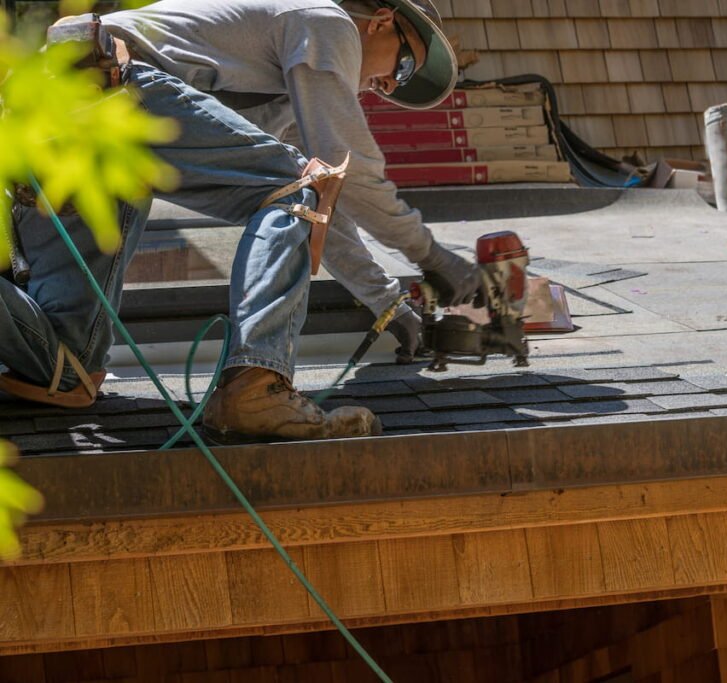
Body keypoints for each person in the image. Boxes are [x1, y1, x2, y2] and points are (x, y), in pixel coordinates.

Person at [0, 0, 479, 441]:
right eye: (403, 64)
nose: (390, 85)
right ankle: (255, 387)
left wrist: (387, 302)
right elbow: (332, 181)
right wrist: (432, 256)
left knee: (65, 373)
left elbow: (313, 207)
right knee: (298, 185)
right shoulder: (326, 20)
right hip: (108, 84)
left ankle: (249, 385)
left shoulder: (272, 92)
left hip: (48, 113)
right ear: (380, 20)